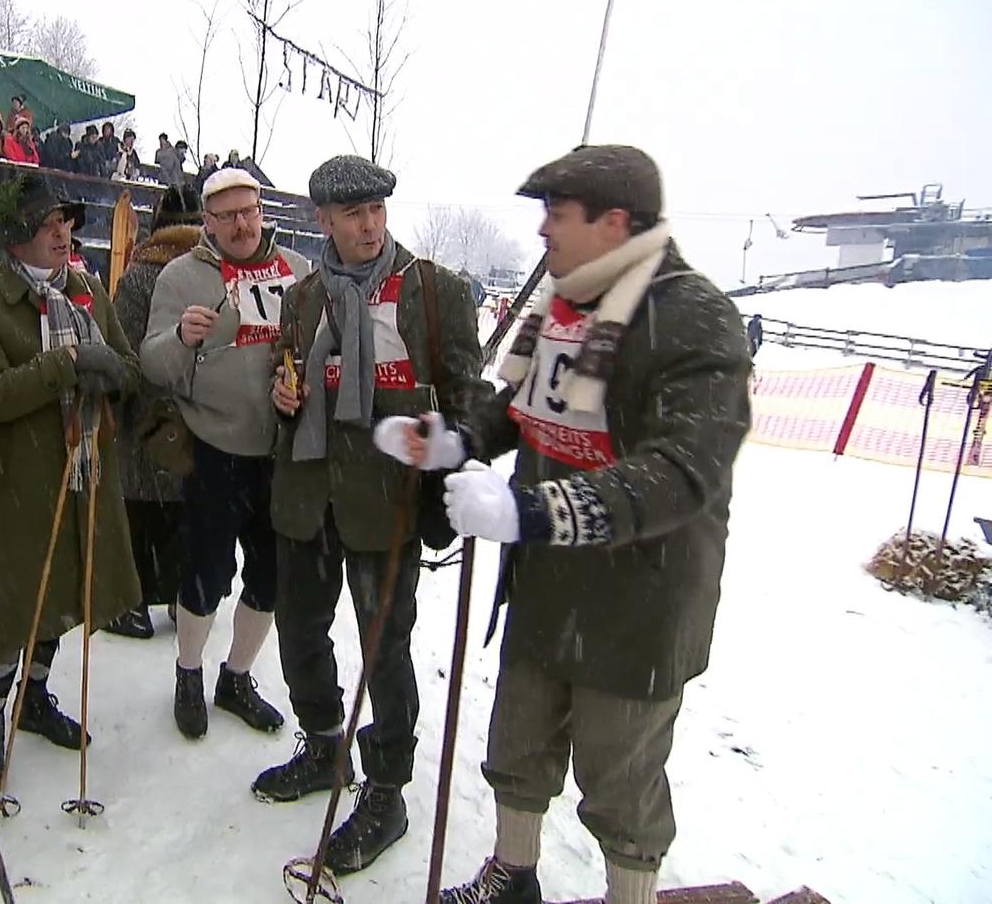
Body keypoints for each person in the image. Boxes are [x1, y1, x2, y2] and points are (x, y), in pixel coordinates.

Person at [402, 146, 751, 904]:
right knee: (519, 741)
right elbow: (526, 408)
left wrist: (530, 509)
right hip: (550, 582)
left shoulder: (692, 317)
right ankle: (512, 874)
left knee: (618, 775)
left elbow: (683, 471)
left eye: (556, 216)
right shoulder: (567, 304)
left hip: (638, 601)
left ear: (614, 221)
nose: (541, 234)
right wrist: (461, 437)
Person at [255, 155, 486, 875]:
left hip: (386, 502)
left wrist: (450, 433)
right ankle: (324, 744)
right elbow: (286, 368)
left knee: (384, 649)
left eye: (377, 211)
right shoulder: (306, 295)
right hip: (308, 491)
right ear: (322, 219)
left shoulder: (432, 291)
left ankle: (387, 790)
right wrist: (283, 393)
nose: (368, 225)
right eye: (352, 214)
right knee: (297, 629)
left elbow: (469, 395)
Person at [0, 174, 142, 795]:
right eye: (46, 223)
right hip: (22, 482)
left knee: (64, 594)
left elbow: (126, 368)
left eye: (65, 220)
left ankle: (33, 699)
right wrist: (65, 365)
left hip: (87, 469)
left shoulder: (87, 290)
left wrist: (112, 373)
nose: (62, 232)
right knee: (14, 607)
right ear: (15, 237)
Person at [139, 167, 311, 733]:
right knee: (206, 574)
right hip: (213, 446)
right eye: (227, 215)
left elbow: (319, 352)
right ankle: (189, 671)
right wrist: (181, 338)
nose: (241, 224)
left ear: (263, 211)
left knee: (270, 577)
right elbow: (153, 363)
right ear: (206, 222)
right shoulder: (180, 277)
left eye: (250, 211)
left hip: (280, 452)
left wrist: (304, 383)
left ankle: (236, 677)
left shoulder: (297, 273)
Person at [109, 183, 205, 640]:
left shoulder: (144, 272)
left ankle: (132, 605)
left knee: (141, 507)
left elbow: (123, 339)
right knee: (182, 508)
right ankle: (178, 595)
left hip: (147, 410)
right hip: (198, 409)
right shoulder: (212, 272)